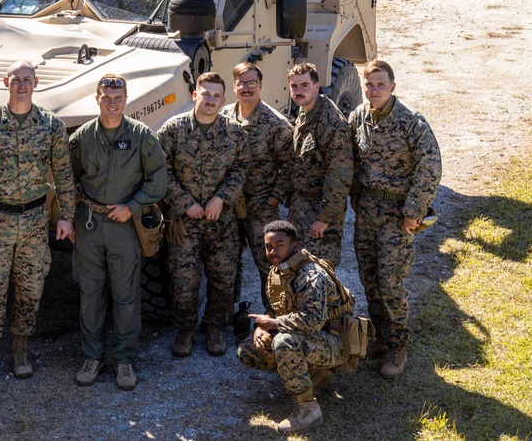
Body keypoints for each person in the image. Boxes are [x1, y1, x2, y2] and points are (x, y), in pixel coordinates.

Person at [0, 60, 76, 391]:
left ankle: (20, 350)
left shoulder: (51, 125)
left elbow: (64, 174)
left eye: (27, 79)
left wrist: (66, 216)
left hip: (35, 222)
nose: (22, 84)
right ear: (5, 82)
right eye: (16, 79)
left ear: (36, 82)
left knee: (30, 289)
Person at [70, 74, 167, 391]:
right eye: (106, 97)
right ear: (96, 99)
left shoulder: (141, 136)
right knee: (90, 293)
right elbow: (66, 178)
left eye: (118, 97)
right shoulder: (82, 137)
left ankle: (124, 360)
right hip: (90, 223)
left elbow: (158, 179)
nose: (112, 103)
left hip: (125, 224)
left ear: (126, 100)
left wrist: (134, 206)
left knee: (126, 295)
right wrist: (69, 218)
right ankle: (92, 357)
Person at [348, 59, 441, 379]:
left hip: (397, 217)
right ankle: (380, 337)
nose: (374, 90)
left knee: (390, 282)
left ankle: (398, 346)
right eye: (369, 84)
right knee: (370, 279)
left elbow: (430, 169)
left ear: (393, 87)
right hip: (368, 213)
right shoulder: (358, 117)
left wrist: (414, 212)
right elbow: (355, 161)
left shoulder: (411, 123)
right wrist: (355, 194)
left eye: (380, 85)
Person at [158, 72, 249, 358]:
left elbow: (241, 170)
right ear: (194, 95)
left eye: (216, 96)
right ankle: (185, 329)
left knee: (223, 277)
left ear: (224, 100)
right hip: (184, 222)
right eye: (205, 93)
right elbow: (161, 171)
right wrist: (184, 203)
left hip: (221, 222)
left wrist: (222, 198)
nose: (210, 99)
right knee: (183, 281)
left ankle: (215, 327)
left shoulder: (235, 133)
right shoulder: (173, 130)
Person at [237, 221, 356, 435]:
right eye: (268, 246)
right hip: (313, 337)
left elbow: (312, 322)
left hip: (336, 342)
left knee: (284, 343)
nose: (273, 251)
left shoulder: (310, 275)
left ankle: (309, 409)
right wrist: (261, 328)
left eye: (279, 245)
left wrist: (273, 324)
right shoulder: (277, 272)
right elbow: (278, 310)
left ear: (294, 246)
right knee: (248, 350)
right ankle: (311, 373)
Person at [221, 62, 293, 311]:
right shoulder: (224, 117)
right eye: (241, 83)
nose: (247, 88)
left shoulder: (276, 124)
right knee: (227, 263)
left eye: (252, 83)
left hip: (260, 205)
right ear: (234, 86)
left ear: (261, 86)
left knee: (269, 265)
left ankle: (275, 318)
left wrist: (274, 199)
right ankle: (226, 316)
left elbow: (289, 165)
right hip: (229, 204)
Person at [275, 62, 352, 266]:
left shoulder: (331, 122)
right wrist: (292, 204)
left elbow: (339, 174)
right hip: (302, 205)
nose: (298, 91)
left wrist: (324, 218)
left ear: (316, 87)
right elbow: (299, 162)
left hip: (320, 209)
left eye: (304, 86)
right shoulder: (304, 111)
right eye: (294, 86)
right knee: (300, 267)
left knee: (320, 271)